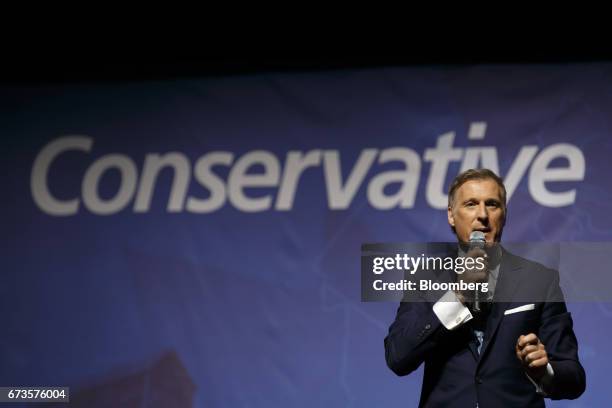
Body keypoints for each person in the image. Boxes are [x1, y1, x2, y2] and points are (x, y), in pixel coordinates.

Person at [384, 168, 585, 407]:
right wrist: (458, 296)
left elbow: (574, 377)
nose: (482, 215)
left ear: (504, 214)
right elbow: (398, 357)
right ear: (451, 215)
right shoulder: (424, 277)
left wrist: (545, 372)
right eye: (471, 204)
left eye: (492, 204)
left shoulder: (539, 280)